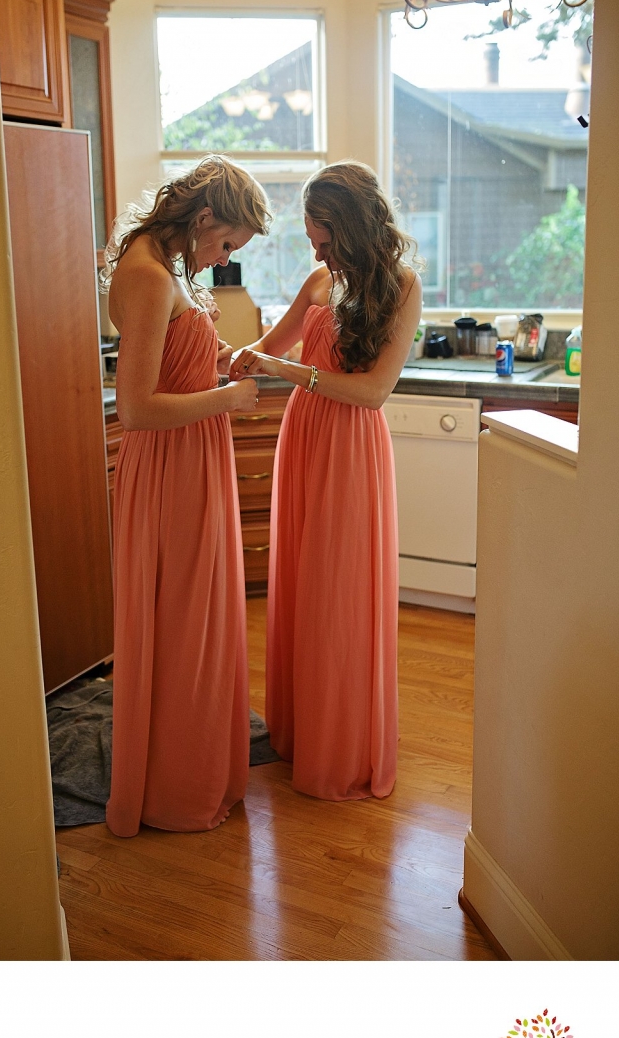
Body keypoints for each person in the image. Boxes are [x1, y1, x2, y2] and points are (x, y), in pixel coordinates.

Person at [229, 161, 422, 801]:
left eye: (322, 237)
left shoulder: (401, 287)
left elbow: (371, 393)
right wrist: (229, 355)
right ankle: (302, 728)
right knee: (304, 584)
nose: (315, 249)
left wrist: (294, 375)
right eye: (313, 239)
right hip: (303, 440)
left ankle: (341, 743)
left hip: (350, 447)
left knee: (339, 593)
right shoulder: (319, 280)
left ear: (351, 229)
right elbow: (270, 345)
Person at [102, 156, 271, 836]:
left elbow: (173, 362)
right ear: (204, 218)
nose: (225, 257)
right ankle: (175, 788)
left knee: (196, 620)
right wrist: (227, 398)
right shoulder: (145, 274)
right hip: (171, 467)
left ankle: (198, 764)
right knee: (183, 627)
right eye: (227, 243)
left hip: (192, 458)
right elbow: (137, 409)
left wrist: (219, 361)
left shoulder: (163, 265)